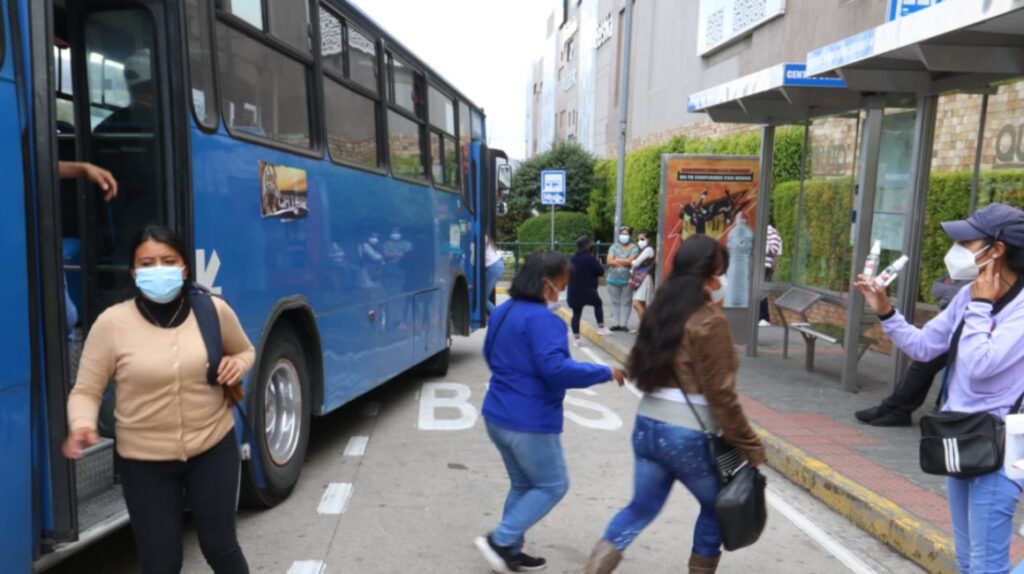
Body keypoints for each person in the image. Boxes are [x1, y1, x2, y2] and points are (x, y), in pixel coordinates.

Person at [63, 225, 255, 574]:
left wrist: (236, 364)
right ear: (134, 273)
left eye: (168, 261)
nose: (158, 269)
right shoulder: (112, 324)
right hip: (144, 461)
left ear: (183, 269)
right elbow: (86, 391)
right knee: (161, 562)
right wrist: (81, 425)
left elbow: (245, 350)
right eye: (147, 263)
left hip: (212, 446)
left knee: (221, 548)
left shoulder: (212, 310)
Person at [580, 234, 765, 574]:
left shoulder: (659, 312)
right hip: (688, 436)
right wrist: (751, 447)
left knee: (640, 508)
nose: (720, 281)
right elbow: (721, 396)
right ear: (706, 276)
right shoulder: (709, 321)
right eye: (719, 273)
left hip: (648, 427)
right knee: (715, 507)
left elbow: (639, 367)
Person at [856, 203, 1024, 573]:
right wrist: (884, 309)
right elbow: (924, 347)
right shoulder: (968, 296)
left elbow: (982, 366)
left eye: (967, 240)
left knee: (986, 565)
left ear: (996, 250)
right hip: (959, 436)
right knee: (967, 561)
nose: (957, 249)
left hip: (999, 446)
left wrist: (981, 304)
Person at [474, 249, 627, 573]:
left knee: (522, 485)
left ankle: (509, 552)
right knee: (552, 484)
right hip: (528, 421)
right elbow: (557, 370)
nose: (563, 293)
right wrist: (604, 372)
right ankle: (500, 540)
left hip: (497, 416)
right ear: (546, 284)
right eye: (563, 284)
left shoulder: (503, 312)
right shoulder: (545, 320)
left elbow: (490, 355)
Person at [853, 272, 970, 427]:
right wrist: (885, 312)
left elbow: (949, 294)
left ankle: (895, 409)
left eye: (966, 246)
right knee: (922, 365)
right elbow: (935, 290)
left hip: (990, 426)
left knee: (924, 367)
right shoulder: (968, 291)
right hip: (948, 330)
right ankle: (895, 410)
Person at [569, 235, 611, 347]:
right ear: (587, 248)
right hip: (588, 289)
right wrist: (597, 262)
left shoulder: (573, 258)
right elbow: (600, 271)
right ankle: (601, 327)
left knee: (576, 313)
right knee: (598, 304)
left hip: (574, 290)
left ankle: (576, 339)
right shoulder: (590, 258)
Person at [606, 226, 640, 331]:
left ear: (630, 236)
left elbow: (631, 261)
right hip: (612, 279)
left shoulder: (634, 248)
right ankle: (616, 323)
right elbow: (609, 261)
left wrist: (616, 259)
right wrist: (624, 261)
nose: (623, 236)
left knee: (626, 302)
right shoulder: (614, 247)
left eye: (626, 234)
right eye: (622, 234)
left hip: (627, 280)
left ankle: (623, 324)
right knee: (615, 302)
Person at [630, 230, 656, 332]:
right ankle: (643, 327)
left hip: (644, 279)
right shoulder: (645, 250)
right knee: (642, 305)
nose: (639, 241)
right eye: (638, 239)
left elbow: (636, 263)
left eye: (642, 239)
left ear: (648, 239)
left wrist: (632, 261)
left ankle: (643, 329)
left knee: (637, 303)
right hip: (641, 278)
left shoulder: (648, 250)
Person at [758, 221, 782, 327]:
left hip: (764, 266)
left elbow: (774, 249)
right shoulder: (758, 230)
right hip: (756, 266)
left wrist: (760, 246)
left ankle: (764, 317)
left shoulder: (772, 232)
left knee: (761, 292)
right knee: (757, 292)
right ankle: (759, 316)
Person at [484, 234, 505, 313]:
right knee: (484, 297)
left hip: (493, 268)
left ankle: (499, 317)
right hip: (495, 267)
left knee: (482, 299)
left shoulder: (480, 236)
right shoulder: (485, 236)